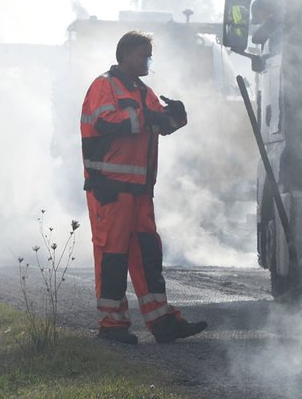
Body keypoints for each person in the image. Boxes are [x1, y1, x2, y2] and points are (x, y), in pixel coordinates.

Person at [80, 30, 208, 344]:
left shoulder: (143, 91)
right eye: (142, 54)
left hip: (139, 191)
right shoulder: (103, 86)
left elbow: (158, 124)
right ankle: (112, 326)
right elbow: (106, 121)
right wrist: (150, 117)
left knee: (148, 256)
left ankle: (162, 322)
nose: (147, 60)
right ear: (124, 55)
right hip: (110, 188)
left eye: (149, 54)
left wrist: (176, 117)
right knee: (112, 257)